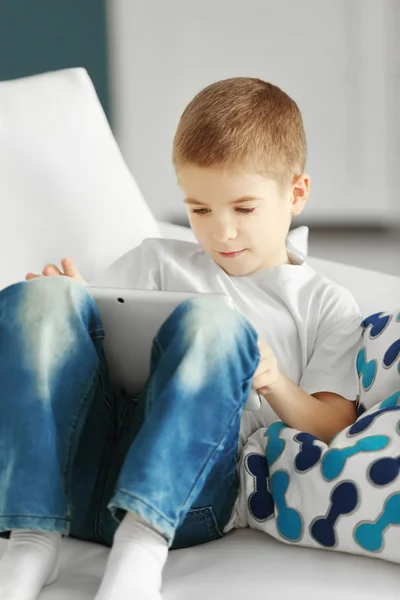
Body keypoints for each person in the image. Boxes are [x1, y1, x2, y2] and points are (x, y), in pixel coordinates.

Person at [0, 77, 362, 600]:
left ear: (296, 194)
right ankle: (31, 539)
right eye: (199, 210)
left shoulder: (325, 303)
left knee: (214, 325)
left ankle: (138, 549)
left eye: (243, 209)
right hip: (79, 482)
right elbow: (94, 355)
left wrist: (275, 381)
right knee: (39, 300)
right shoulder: (154, 259)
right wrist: (71, 305)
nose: (221, 233)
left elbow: (334, 422)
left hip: (188, 498)